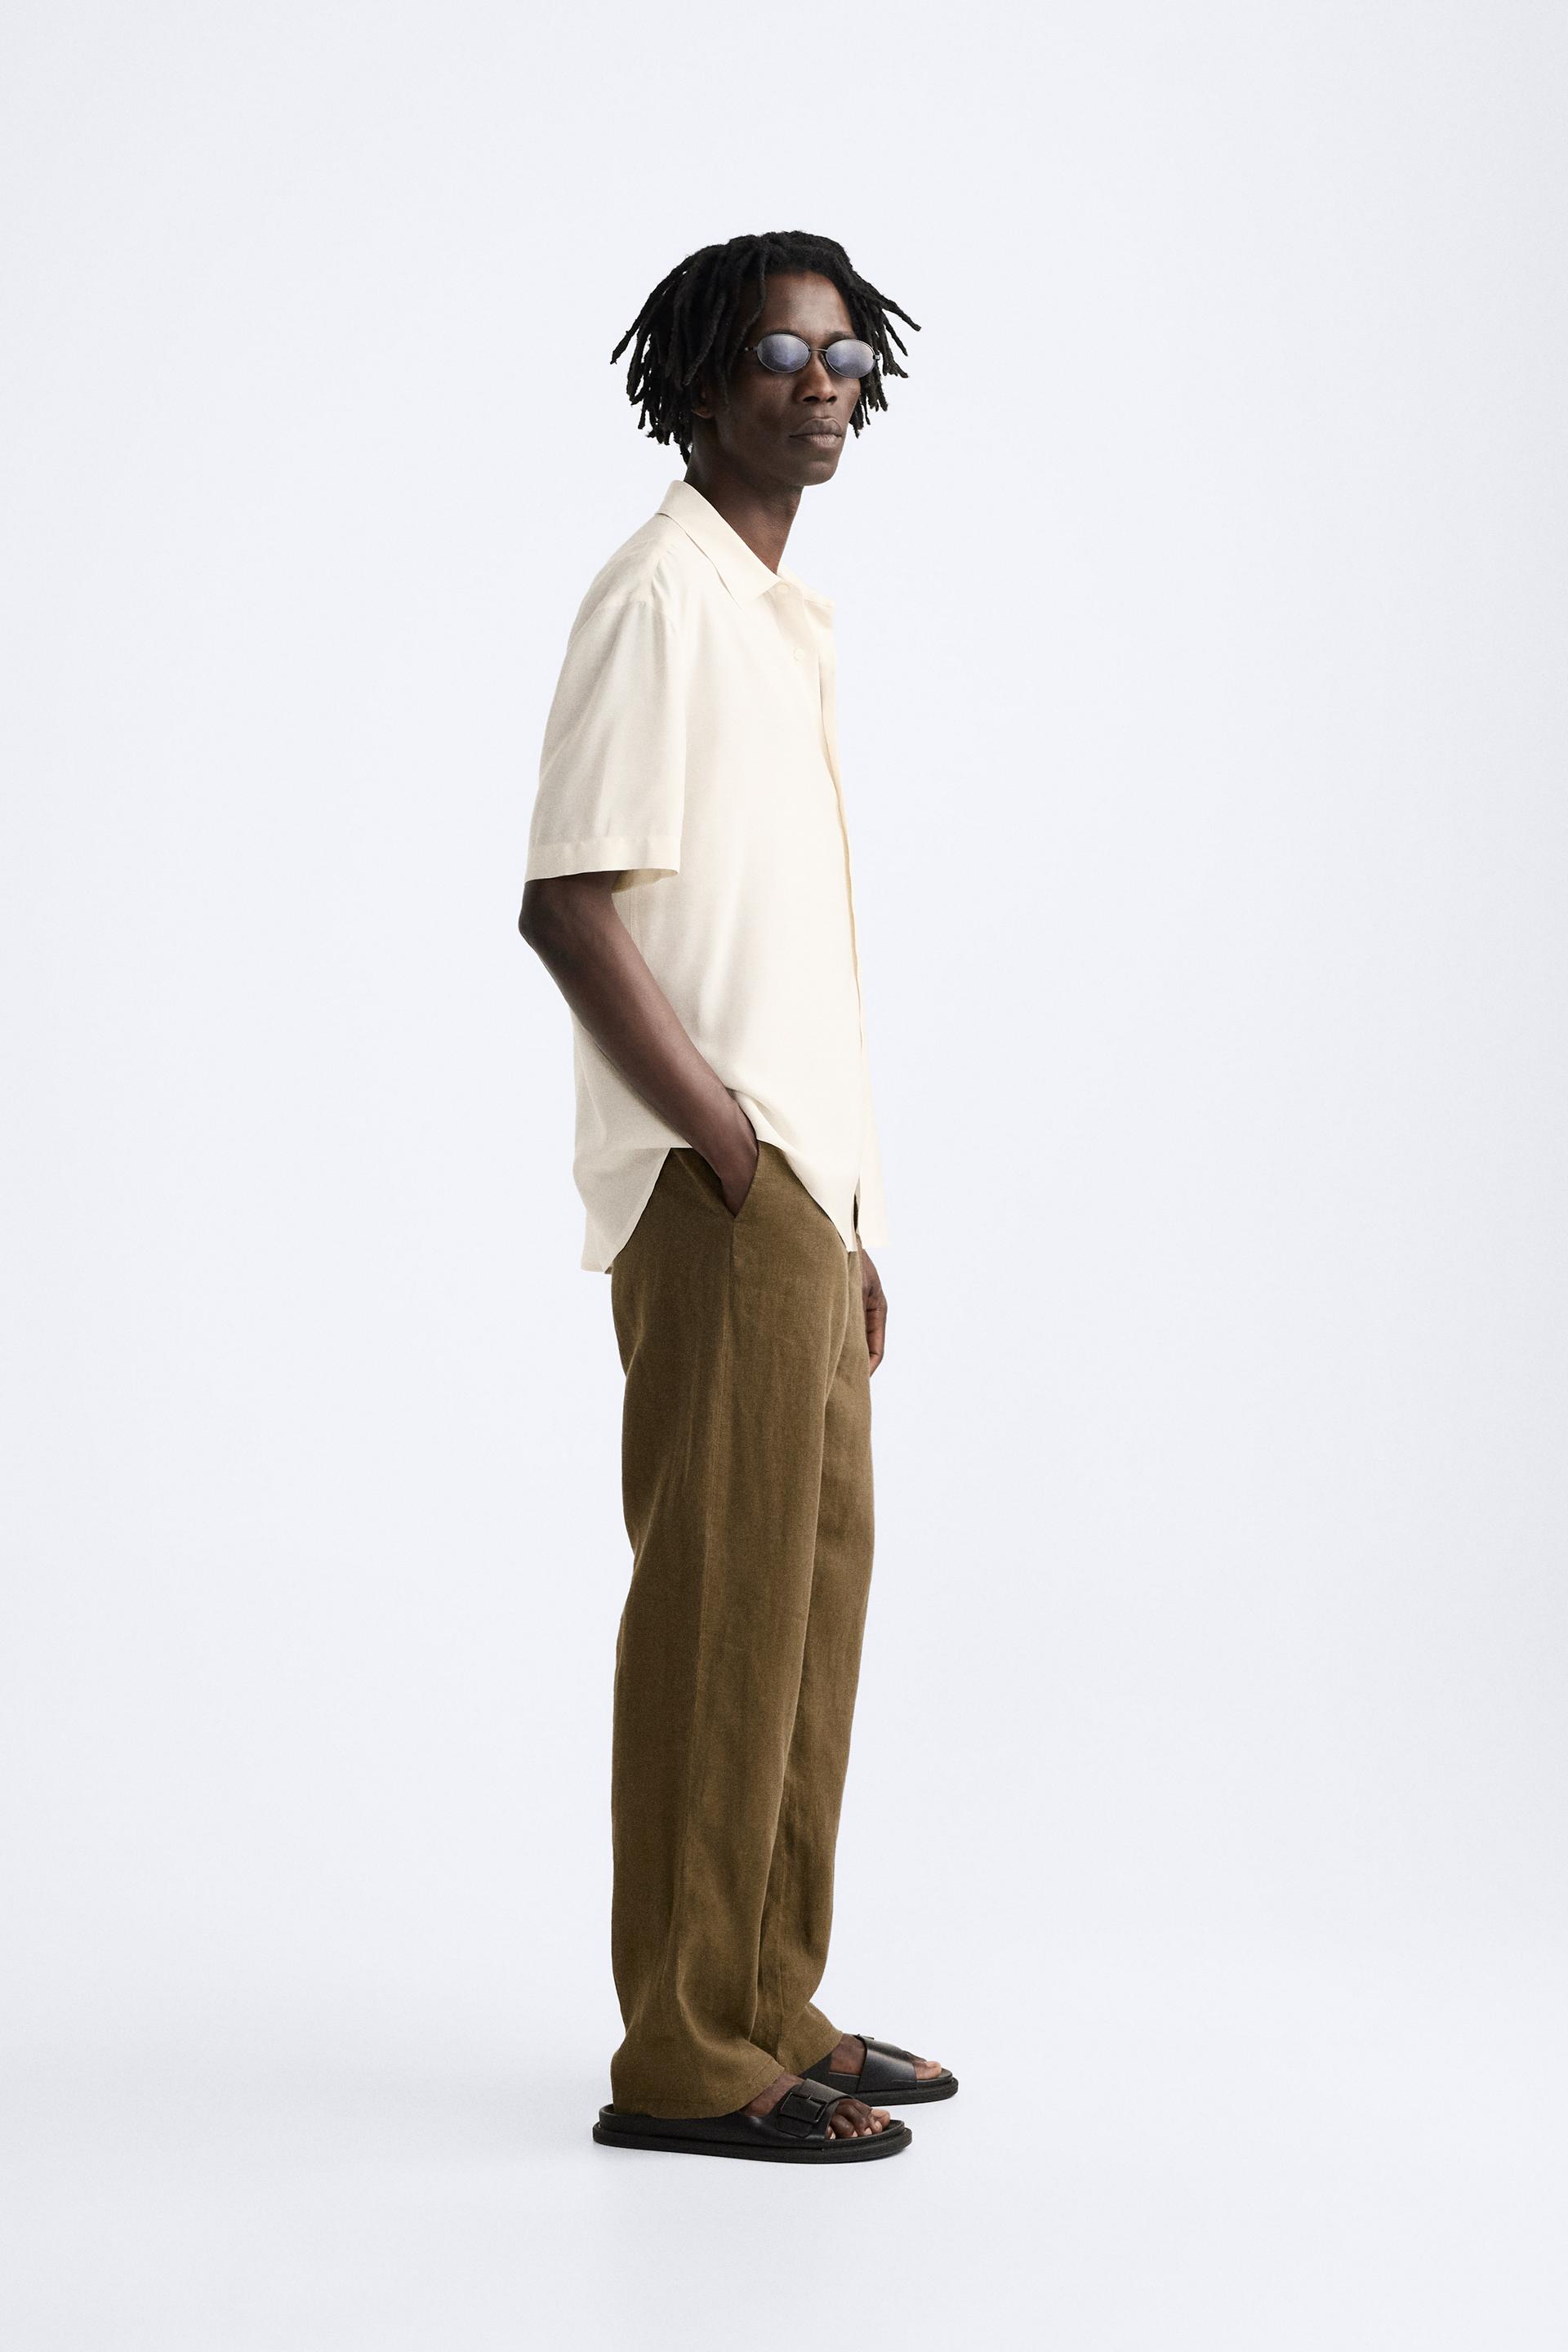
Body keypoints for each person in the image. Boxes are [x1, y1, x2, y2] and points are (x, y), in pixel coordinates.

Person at [518, 229, 956, 2164]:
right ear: (698, 381)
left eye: (847, 354)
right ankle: (687, 2054)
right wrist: (727, 1148)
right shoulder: (661, 601)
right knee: (720, 1607)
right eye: (782, 352)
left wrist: (839, 1213)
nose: (823, 383)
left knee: (807, 1603)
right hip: (723, 1191)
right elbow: (567, 905)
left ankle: (770, 1996)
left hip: (802, 1202)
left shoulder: (776, 617)